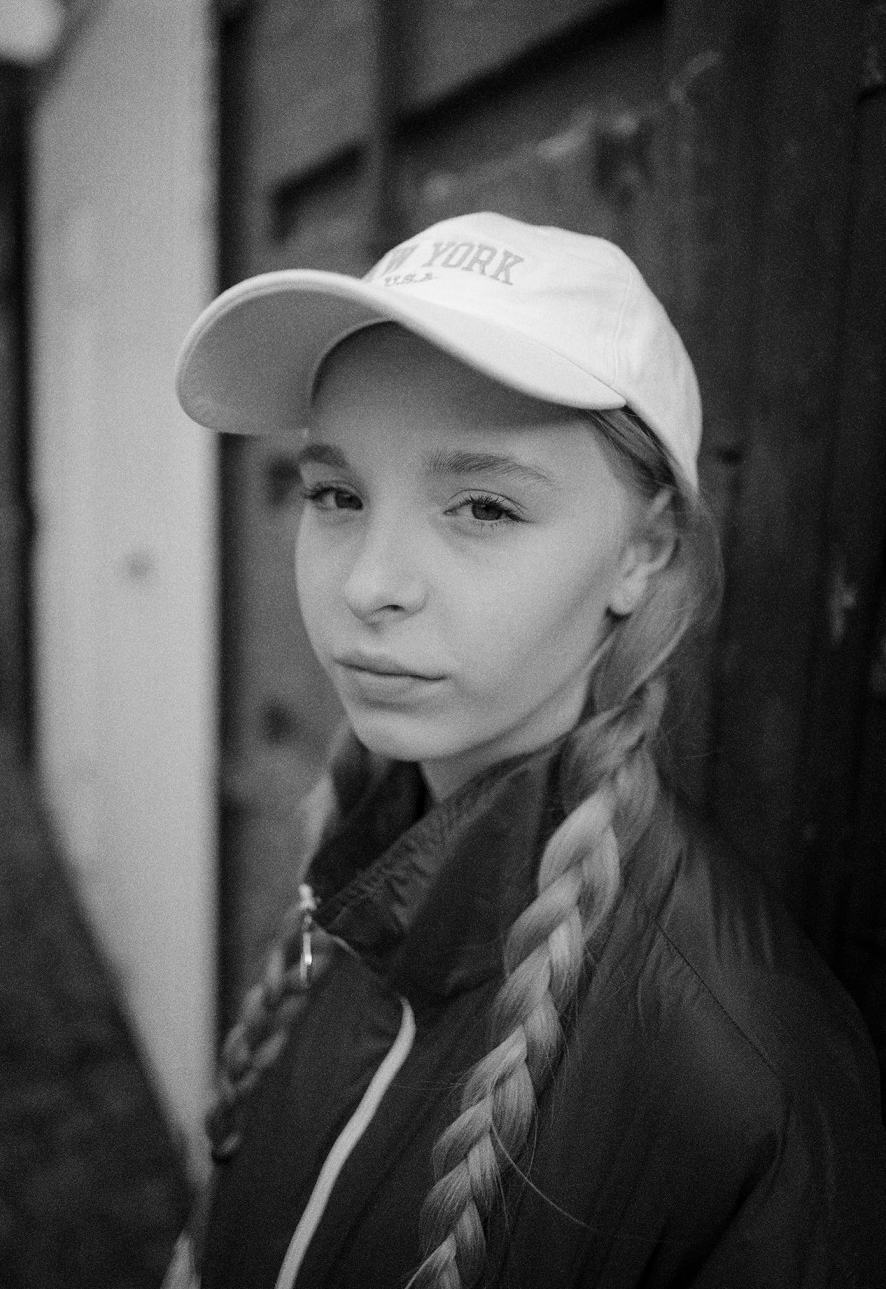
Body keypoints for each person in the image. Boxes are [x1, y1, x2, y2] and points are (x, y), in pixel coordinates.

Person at [169, 213, 886, 1289]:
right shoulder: (362, 864)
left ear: (642, 553)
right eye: (337, 494)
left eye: (484, 506)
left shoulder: (750, 1076)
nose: (369, 584)